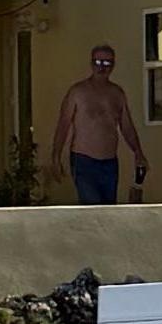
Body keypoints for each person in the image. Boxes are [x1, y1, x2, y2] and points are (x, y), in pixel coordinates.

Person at [51, 41, 146, 207]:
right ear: (91, 63)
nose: (102, 67)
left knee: (108, 210)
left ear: (113, 65)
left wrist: (138, 152)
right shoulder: (78, 92)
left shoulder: (117, 93)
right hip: (84, 160)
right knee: (92, 208)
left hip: (109, 162)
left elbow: (126, 126)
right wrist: (56, 156)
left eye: (107, 63)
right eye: (98, 62)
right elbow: (63, 124)